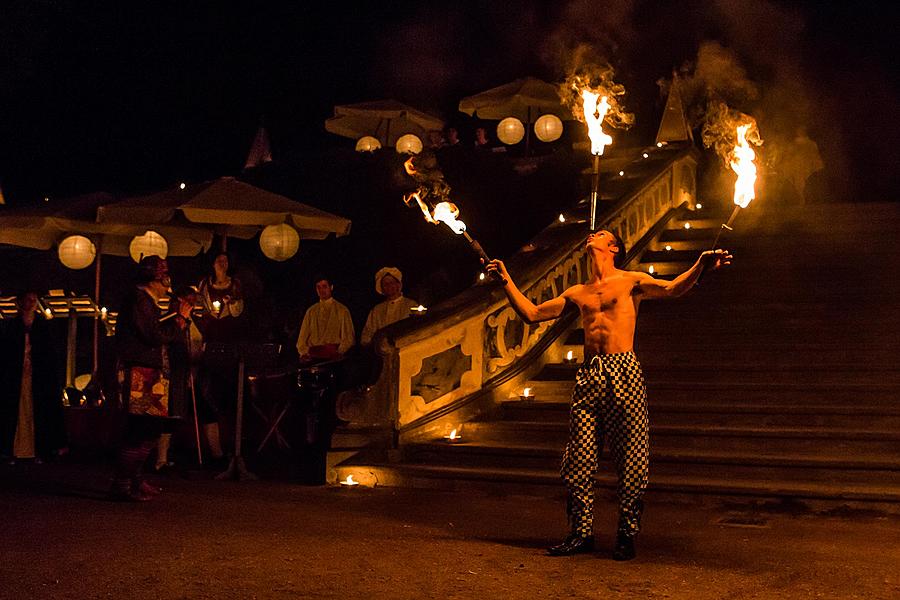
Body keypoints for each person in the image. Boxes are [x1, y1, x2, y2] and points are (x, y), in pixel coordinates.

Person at [485, 231, 732, 560]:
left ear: (613, 247)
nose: (592, 235)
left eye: (600, 234)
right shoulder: (578, 292)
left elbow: (673, 289)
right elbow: (532, 314)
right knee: (579, 459)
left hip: (623, 371)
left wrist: (700, 264)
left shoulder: (631, 281)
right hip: (589, 375)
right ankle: (580, 533)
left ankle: (626, 535)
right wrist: (505, 281)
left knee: (631, 459)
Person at [110, 256, 192, 501]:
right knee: (139, 428)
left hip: (149, 371)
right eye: (165, 277)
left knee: (150, 429)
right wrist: (179, 319)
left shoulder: (147, 301)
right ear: (156, 278)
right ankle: (123, 483)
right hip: (139, 372)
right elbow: (152, 335)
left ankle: (135, 478)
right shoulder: (139, 299)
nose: (168, 283)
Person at [155, 285, 225, 472]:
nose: (191, 306)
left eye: (193, 302)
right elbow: (165, 346)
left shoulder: (195, 322)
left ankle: (218, 456)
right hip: (175, 376)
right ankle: (160, 460)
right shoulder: (169, 320)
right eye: (188, 302)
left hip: (194, 377)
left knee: (207, 412)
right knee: (171, 415)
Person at [0, 292, 66, 464]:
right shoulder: (12, 325)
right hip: (15, 379)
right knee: (16, 412)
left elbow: (48, 355)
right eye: (28, 300)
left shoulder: (42, 326)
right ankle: (13, 450)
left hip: (36, 379)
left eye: (33, 300)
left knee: (35, 411)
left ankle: (38, 450)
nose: (31, 303)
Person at [296, 277, 354, 363]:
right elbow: (302, 338)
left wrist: (340, 351)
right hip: (313, 358)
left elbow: (348, 337)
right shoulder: (311, 311)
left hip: (333, 357)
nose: (321, 290)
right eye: (318, 287)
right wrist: (303, 353)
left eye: (324, 286)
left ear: (331, 287)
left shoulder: (342, 310)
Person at [360, 267, 419, 346]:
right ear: (382, 288)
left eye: (392, 282)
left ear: (398, 284)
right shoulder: (377, 310)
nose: (389, 286)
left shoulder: (411, 305)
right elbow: (367, 335)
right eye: (385, 284)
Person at [197, 251, 244, 344]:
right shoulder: (205, 283)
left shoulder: (234, 283)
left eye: (225, 261)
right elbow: (199, 303)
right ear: (213, 264)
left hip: (228, 327)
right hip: (209, 327)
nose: (223, 263)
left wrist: (231, 302)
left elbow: (239, 307)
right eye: (219, 261)